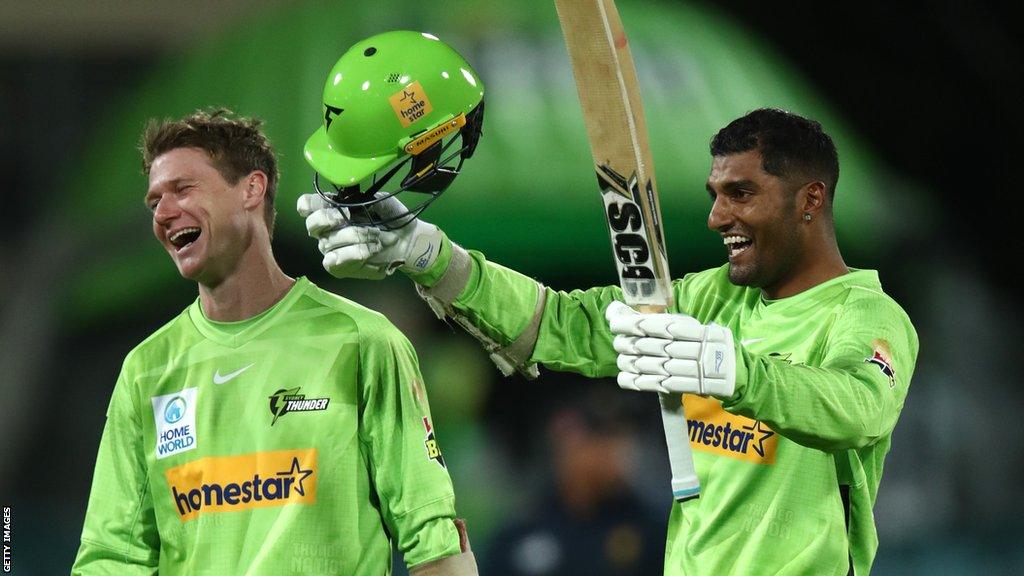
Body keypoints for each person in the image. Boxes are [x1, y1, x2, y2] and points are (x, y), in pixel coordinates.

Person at [298, 108, 919, 575]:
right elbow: (560, 325)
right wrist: (430, 256)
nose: (715, 217)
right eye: (714, 196)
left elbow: (858, 408)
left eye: (742, 193)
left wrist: (736, 372)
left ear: (810, 200)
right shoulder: (706, 299)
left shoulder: (865, 315)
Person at [71, 108, 477, 575]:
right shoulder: (146, 370)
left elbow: (430, 531)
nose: (163, 213)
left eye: (183, 189)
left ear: (251, 189)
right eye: (154, 201)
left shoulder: (361, 341)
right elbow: (112, 555)